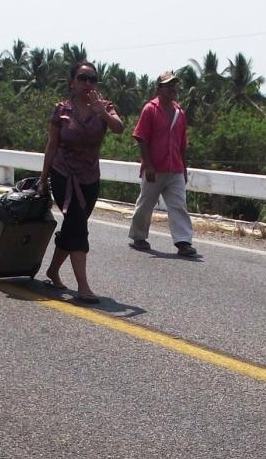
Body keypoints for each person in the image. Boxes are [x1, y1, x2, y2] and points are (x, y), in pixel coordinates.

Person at [37, 61, 124, 304]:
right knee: (78, 226)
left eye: (92, 79)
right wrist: (43, 179)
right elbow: (52, 145)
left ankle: (53, 270)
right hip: (63, 175)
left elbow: (119, 128)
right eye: (83, 78)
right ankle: (83, 287)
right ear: (72, 82)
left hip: (89, 178)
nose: (88, 83)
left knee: (74, 225)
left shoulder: (104, 106)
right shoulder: (61, 110)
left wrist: (102, 112)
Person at [128, 70, 196, 257]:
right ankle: (138, 236)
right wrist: (148, 165)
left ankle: (183, 241)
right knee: (145, 204)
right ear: (159, 89)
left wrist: (184, 168)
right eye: (168, 86)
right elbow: (142, 138)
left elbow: (182, 144)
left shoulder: (179, 113)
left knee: (178, 205)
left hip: (174, 168)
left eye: (174, 85)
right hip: (155, 168)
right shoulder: (150, 109)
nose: (172, 89)